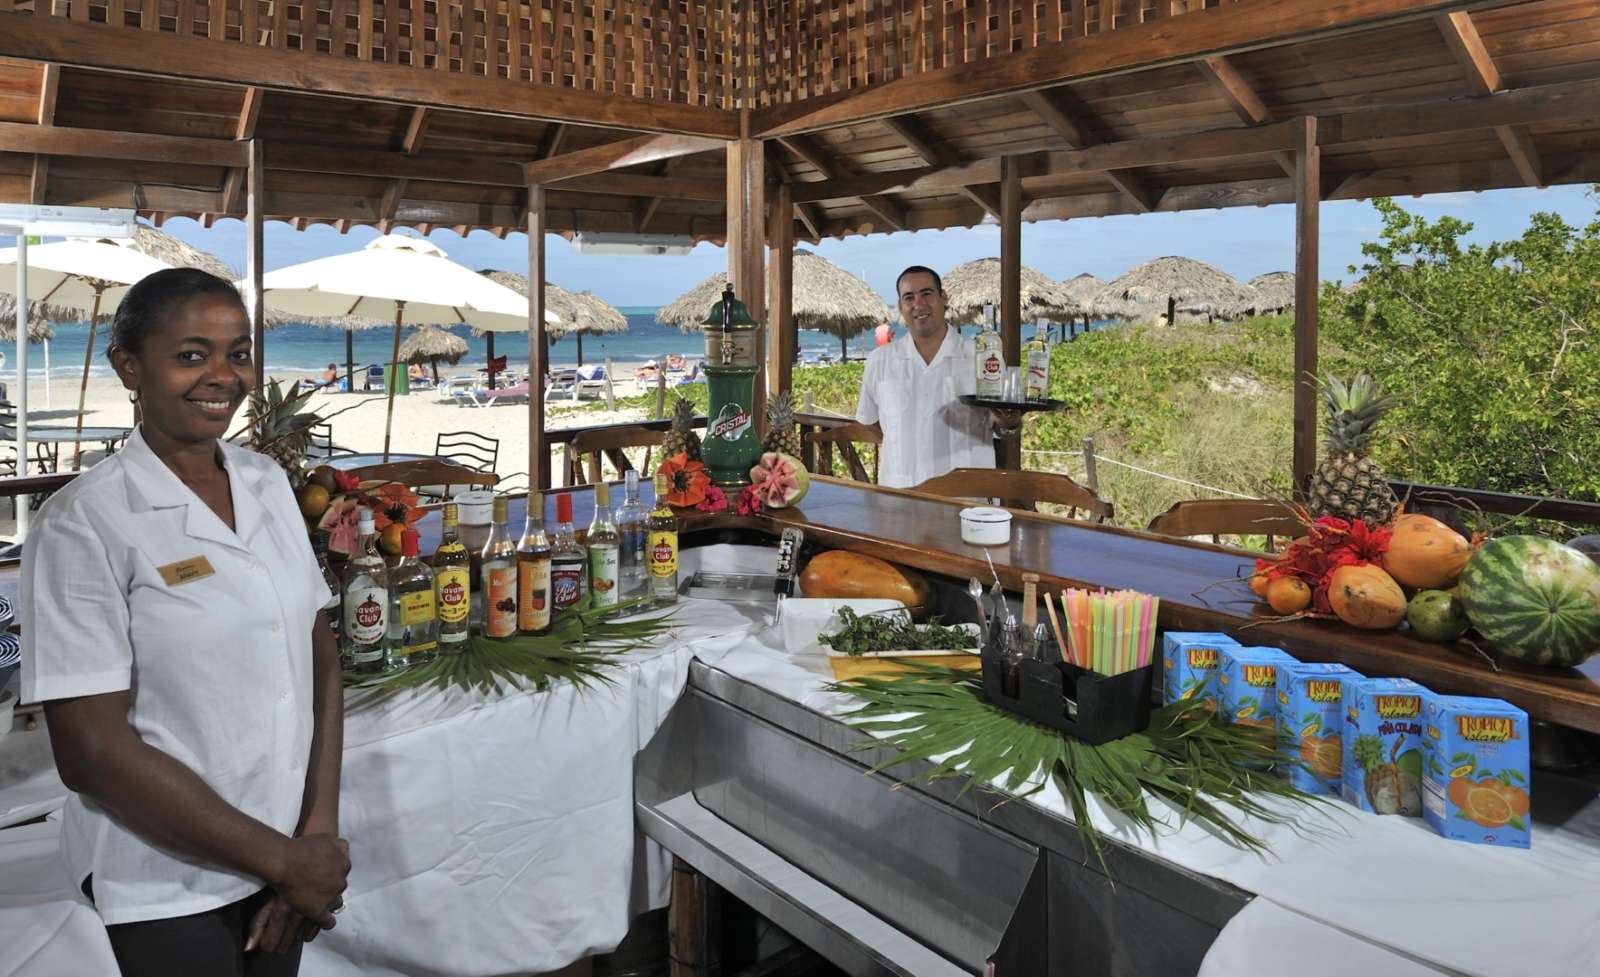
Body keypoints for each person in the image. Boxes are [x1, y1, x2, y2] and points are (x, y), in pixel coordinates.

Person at [20, 268, 350, 977]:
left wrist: (315, 833)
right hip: (164, 875)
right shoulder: (84, 522)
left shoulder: (264, 482)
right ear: (129, 366)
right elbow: (92, 753)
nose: (222, 376)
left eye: (238, 353)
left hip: (286, 843)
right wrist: (285, 858)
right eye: (192, 354)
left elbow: (318, 649)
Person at [856, 266, 995, 488]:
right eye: (909, 298)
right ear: (901, 307)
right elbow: (871, 423)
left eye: (927, 294)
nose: (918, 305)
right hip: (900, 492)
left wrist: (1009, 424)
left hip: (968, 496)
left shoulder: (982, 358)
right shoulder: (879, 361)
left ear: (943, 297)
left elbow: (1001, 423)